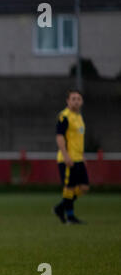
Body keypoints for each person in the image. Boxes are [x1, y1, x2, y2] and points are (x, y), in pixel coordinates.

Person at [53, 90, 89, 224]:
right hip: (68, 158)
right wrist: (66, 155)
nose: (76, 101)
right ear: (67, 101)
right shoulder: (64, 116)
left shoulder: (79, 117)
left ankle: (60, 207)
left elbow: (77, 139)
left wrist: (82, 156)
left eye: (78, 99)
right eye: (73, 98)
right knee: (69, 188)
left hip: (78, 157)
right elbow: (59, 136)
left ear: (82, 101)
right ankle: (70, 216)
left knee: (84, 187)